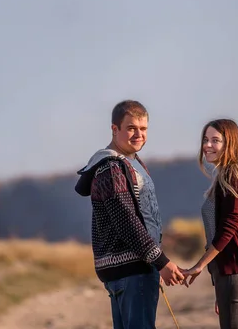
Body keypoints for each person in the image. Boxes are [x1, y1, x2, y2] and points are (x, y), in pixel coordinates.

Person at [74, 99, 184, 329]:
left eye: (143, 129)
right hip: (133, 271)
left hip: (131, 270)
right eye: (131, 128)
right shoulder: (112, 167)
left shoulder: (131, 163)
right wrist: (160, 262)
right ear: (115, 129)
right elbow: (125, 220)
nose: (139, 134)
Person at [181, 118, 238, 329]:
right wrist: (219, 284)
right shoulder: (226, 175)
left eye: (215, 140)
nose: (207, 145)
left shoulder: (234, 174)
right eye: (205, 140)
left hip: (234, 271)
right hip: (230, 273)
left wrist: (200, 265)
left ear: (230, 144)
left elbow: (229, 228)